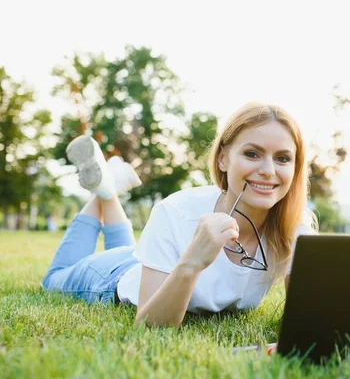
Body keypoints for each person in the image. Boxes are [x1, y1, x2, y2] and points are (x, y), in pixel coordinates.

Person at [41, 102, 317, 330]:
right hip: (112, 278)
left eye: (282, 158)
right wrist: (192, 262)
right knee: (52, 280)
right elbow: (150, 327)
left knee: (133, 251)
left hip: (148, 260)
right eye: (252, 154)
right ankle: (104, 191)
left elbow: (308, 320)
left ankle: (108, 190)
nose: (269, 170)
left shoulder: (295, 229)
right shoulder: (177, 211)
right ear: (223, 158)